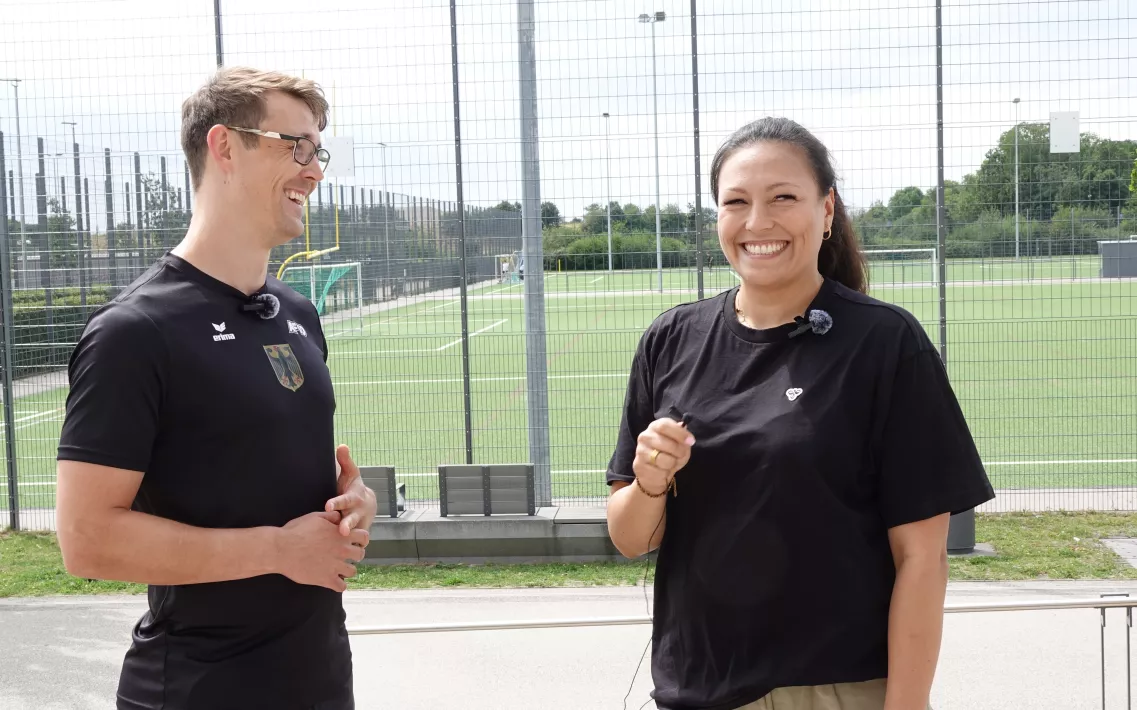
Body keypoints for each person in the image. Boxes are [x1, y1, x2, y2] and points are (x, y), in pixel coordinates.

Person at [605, 117, 995, 710]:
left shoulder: (884, 343)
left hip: (832, 691)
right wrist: (651, 483)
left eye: (783, 197)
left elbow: (922, 558)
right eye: (736, 202)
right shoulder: (670, 340)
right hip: (695, 686)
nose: (758, 222)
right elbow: (631, 538)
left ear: (827, 209)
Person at [54, 66, 377, 710]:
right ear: (225, 146)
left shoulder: (297, 313)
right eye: (296, 146)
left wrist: (350, 503)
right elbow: (87, 540)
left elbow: (263, 475)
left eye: (319, 150)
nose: (315, 171)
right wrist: (280, 550)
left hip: (319, 678)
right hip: (200, 688)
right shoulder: (136, 330)